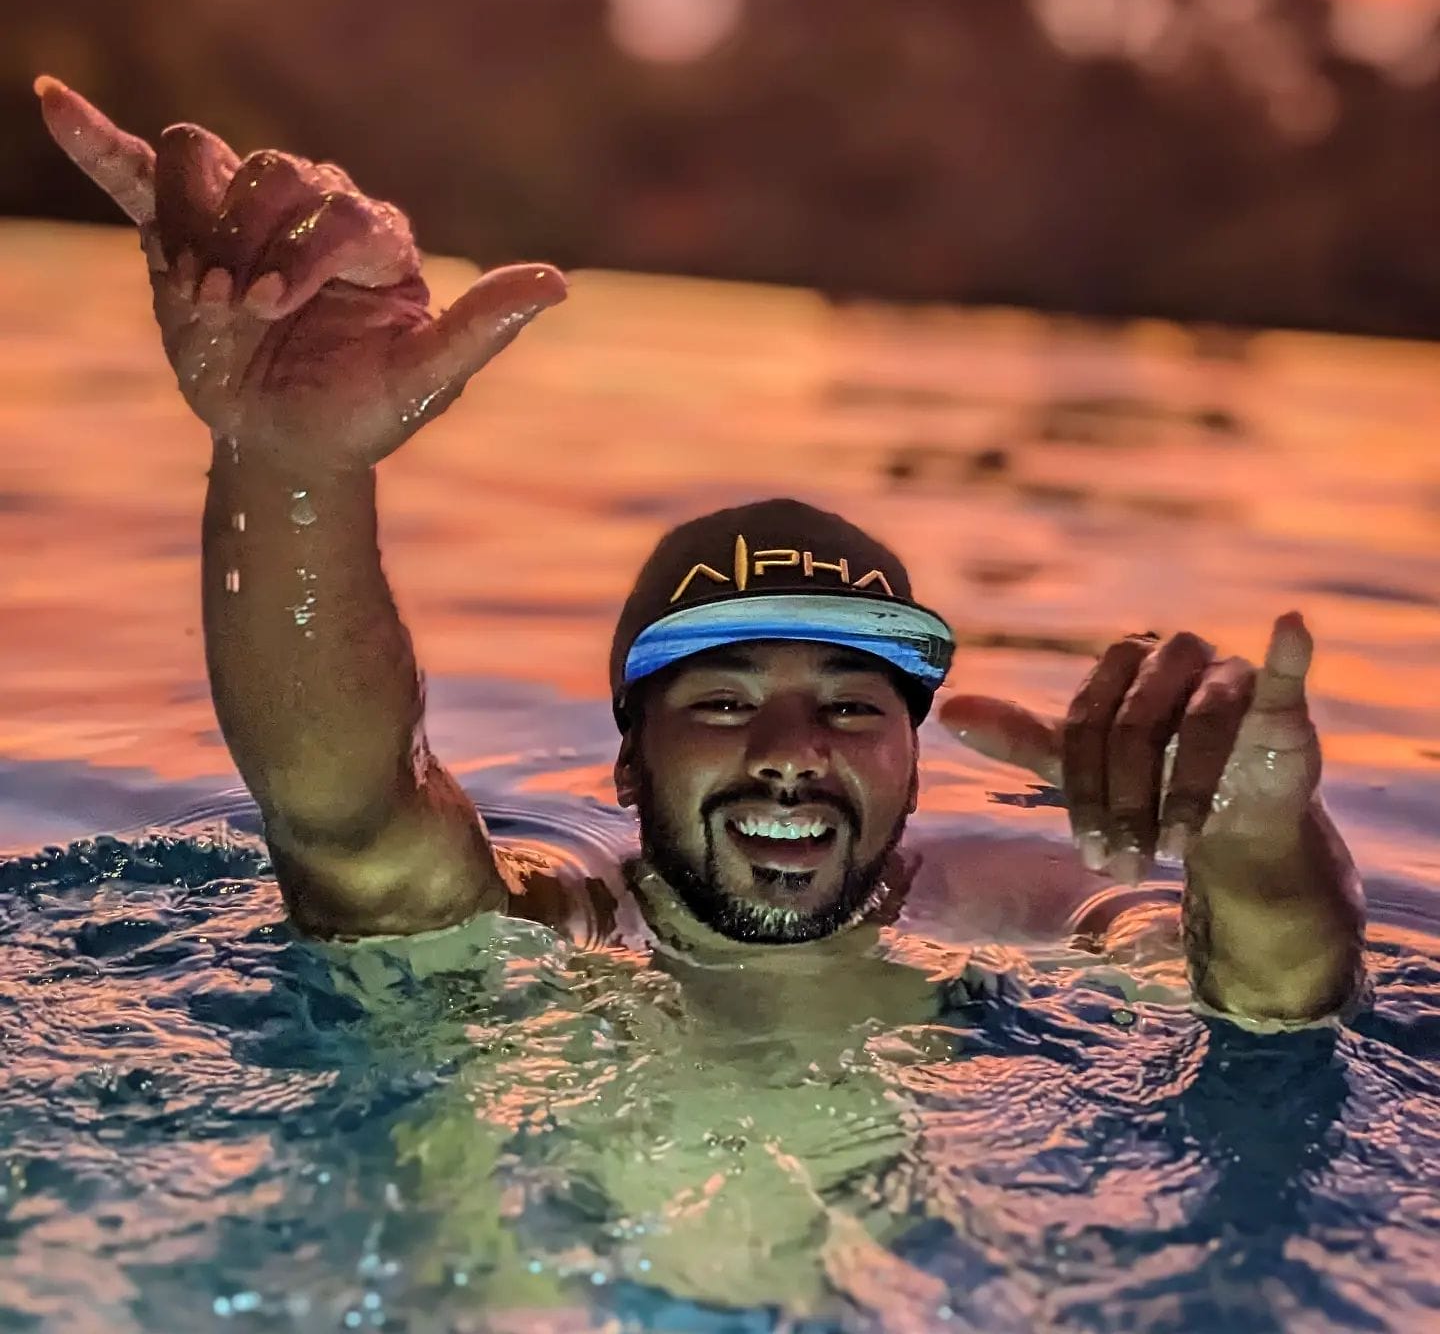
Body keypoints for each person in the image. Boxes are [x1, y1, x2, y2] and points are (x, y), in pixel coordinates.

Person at [34, 75, 1366, 1033]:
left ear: (915, 759)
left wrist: (1257, 840)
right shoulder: (561, 927)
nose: (794, 747)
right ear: (624, 757)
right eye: (723, 700)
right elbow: (347, 826)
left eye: (852, 705)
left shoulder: (1019, 912)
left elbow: (1275, 995)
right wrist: (292, 467)